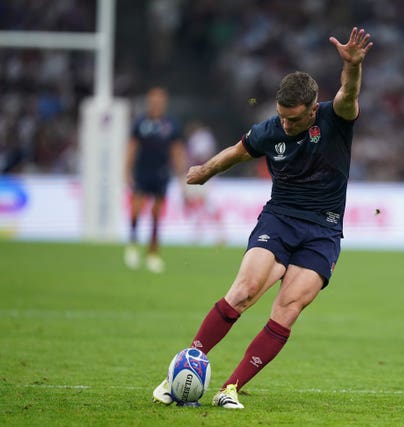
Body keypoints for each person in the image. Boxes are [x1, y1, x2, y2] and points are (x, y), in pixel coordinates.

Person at [152, 27, 373, 409]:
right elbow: (237, 152)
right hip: (280, 219)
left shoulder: (336, 119)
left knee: (288, 307)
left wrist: (351, 67)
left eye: (294, 119)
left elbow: (349, 93)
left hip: (323, 229)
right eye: (281, 117)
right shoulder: (271, 130)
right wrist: (204, 170)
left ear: (312, 107)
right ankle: (183, 368)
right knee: (243, 292)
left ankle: (230, 388)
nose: (285, 125)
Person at [124, 87, 186, 273]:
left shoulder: (171, 125)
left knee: (156, 214)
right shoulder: (140, 123)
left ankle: (153, 252)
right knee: (136, 208)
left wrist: (181, 173)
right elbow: (132, 148)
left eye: (160, 100)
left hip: (161, 173)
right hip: (142, 171)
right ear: (149, 102)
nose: (156, 104)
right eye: (153, 100)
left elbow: (177, 150)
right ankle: (133, 245)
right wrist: (126, 171)